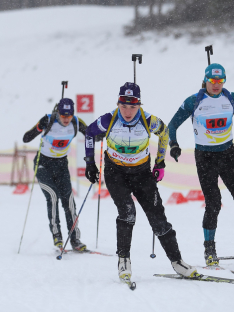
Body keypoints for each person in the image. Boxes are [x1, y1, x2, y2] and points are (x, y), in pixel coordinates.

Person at [83, 82, 198, 282]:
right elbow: (89, 133)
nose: (128, 111)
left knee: (158, 219)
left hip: (142, 173)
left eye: (133, 106)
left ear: (139, 105)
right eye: (124, 106)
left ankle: (177, 262)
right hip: (115, 172)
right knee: (128, 213)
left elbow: (164, 133)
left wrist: (160, 163)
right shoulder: (108, 120)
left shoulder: (148, 120)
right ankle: (124, 260)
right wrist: (89, 163)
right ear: (118, 103)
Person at [167, 63, 234, 266]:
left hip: (228, 155)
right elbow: (172, 125)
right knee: (214, 203)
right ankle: (209, 250)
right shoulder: (194, 101)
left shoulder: (232, 99)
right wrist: (174, 144)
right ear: (205, 80)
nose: (216, 85)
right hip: (205, 158)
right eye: (212, 81)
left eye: (220, 81)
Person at [23, 98, 88, 252]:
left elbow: (93, 135)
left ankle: (75, 239)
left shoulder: (76, 122)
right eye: (63, 115)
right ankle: (57, 235)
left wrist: (101, 132)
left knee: (69, 201)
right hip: (43, 165)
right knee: (53, 196)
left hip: (61, 166)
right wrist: (40, 127)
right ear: (58, 113)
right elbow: (26, 138)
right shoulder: (49, 120)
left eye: (69, 115)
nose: (66, 119)